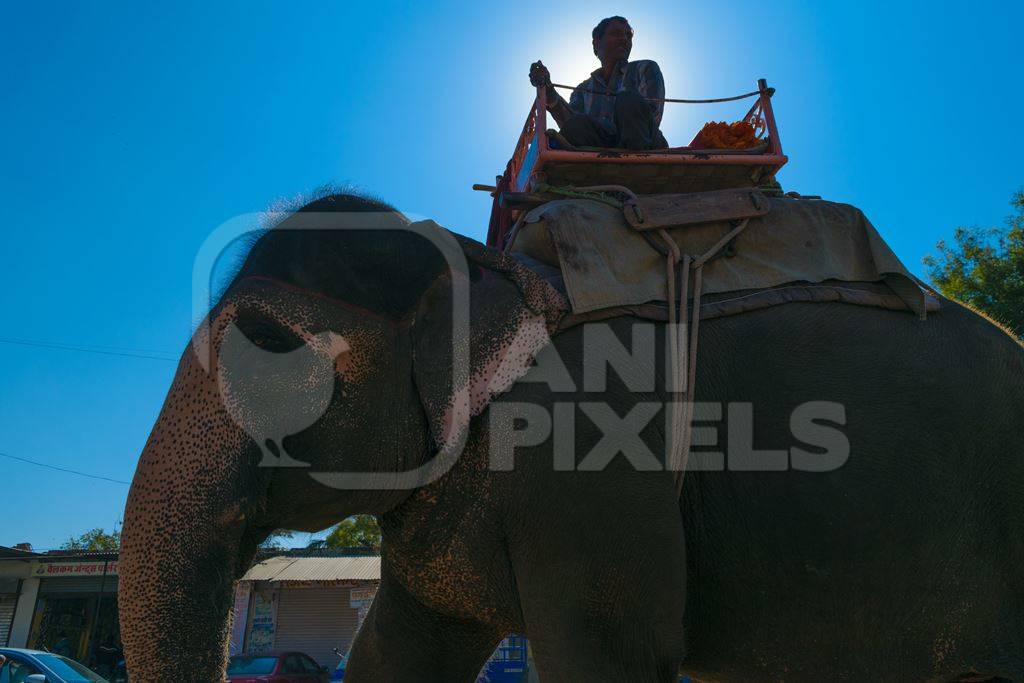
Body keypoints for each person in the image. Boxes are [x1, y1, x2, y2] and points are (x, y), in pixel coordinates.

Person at [529, 16, 668, 150]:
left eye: (628, 36)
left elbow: (652, 116)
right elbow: (570, 124)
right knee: (576, 124)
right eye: (616, 34)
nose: (624, 39)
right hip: (602, 149)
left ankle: (629, 159)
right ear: (596, 43)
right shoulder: (582, 90)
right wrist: (549, 91)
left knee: (628, 100)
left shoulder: (645, 68)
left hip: (643, 144)